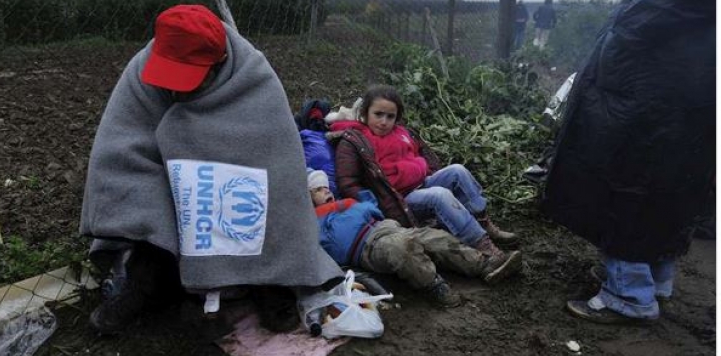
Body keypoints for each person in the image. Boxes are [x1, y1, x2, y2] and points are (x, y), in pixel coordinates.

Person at [79, 4, 343, 334]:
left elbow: (279, 162)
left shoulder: (255, 78)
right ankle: (145, 288)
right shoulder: (142, 70)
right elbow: (121, 145)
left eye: (189, 77)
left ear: (218, 62)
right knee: (145, 202)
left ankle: (270, 287)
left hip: (236, 189)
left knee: (266, 199)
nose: (176, 89)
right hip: (174, 189)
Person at [539, 0, 714, 324]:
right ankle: (656, 278)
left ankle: (628, 294)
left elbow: (638, 28)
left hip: (640, 110)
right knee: (665, 190)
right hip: (680, 106)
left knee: (624, 191)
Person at [330, 85, 522, 278]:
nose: (384, 121)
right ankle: (487, 251)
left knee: (457, 170)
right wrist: (373, 206)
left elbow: (428, 158)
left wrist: (420, 169)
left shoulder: (404, 133)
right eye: (378, 114)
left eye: (390, 116)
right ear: (365, 113)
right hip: (399, 199)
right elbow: (348, 183)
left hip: (421, 183)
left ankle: (483, 223)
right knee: (440, 196)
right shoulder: (354, 141)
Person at [306, 169, 522, 308]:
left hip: (385, 227)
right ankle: (433, 285)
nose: (326, 191)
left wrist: (375, 214)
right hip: (366, 247)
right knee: (402, 248)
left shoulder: (346, 203)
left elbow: (370, 206)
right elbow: (324, 247)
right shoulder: (314, 221)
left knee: (436, 238)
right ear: (307, 196)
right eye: (318, 189)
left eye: (326, 186)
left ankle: (484, 265)